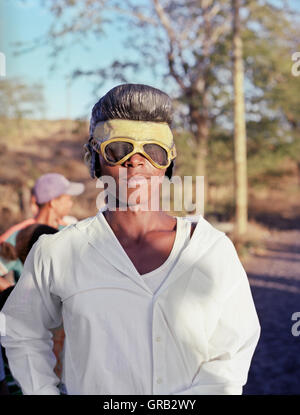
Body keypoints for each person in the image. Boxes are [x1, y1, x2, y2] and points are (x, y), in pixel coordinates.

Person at [1, 83, 260, 395]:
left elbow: (231, 355)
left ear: (169, 164)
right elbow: (20, 329)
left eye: (153, 150)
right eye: (119, 149)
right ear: (94, 160)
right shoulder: (58, 252)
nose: (135, 161)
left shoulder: (212, 251)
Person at [0, 173, 85, 281]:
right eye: (67, 199)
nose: (71, 204)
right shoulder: (19, 236)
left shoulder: (68, 231)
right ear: (53, 202)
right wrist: (13, 293)